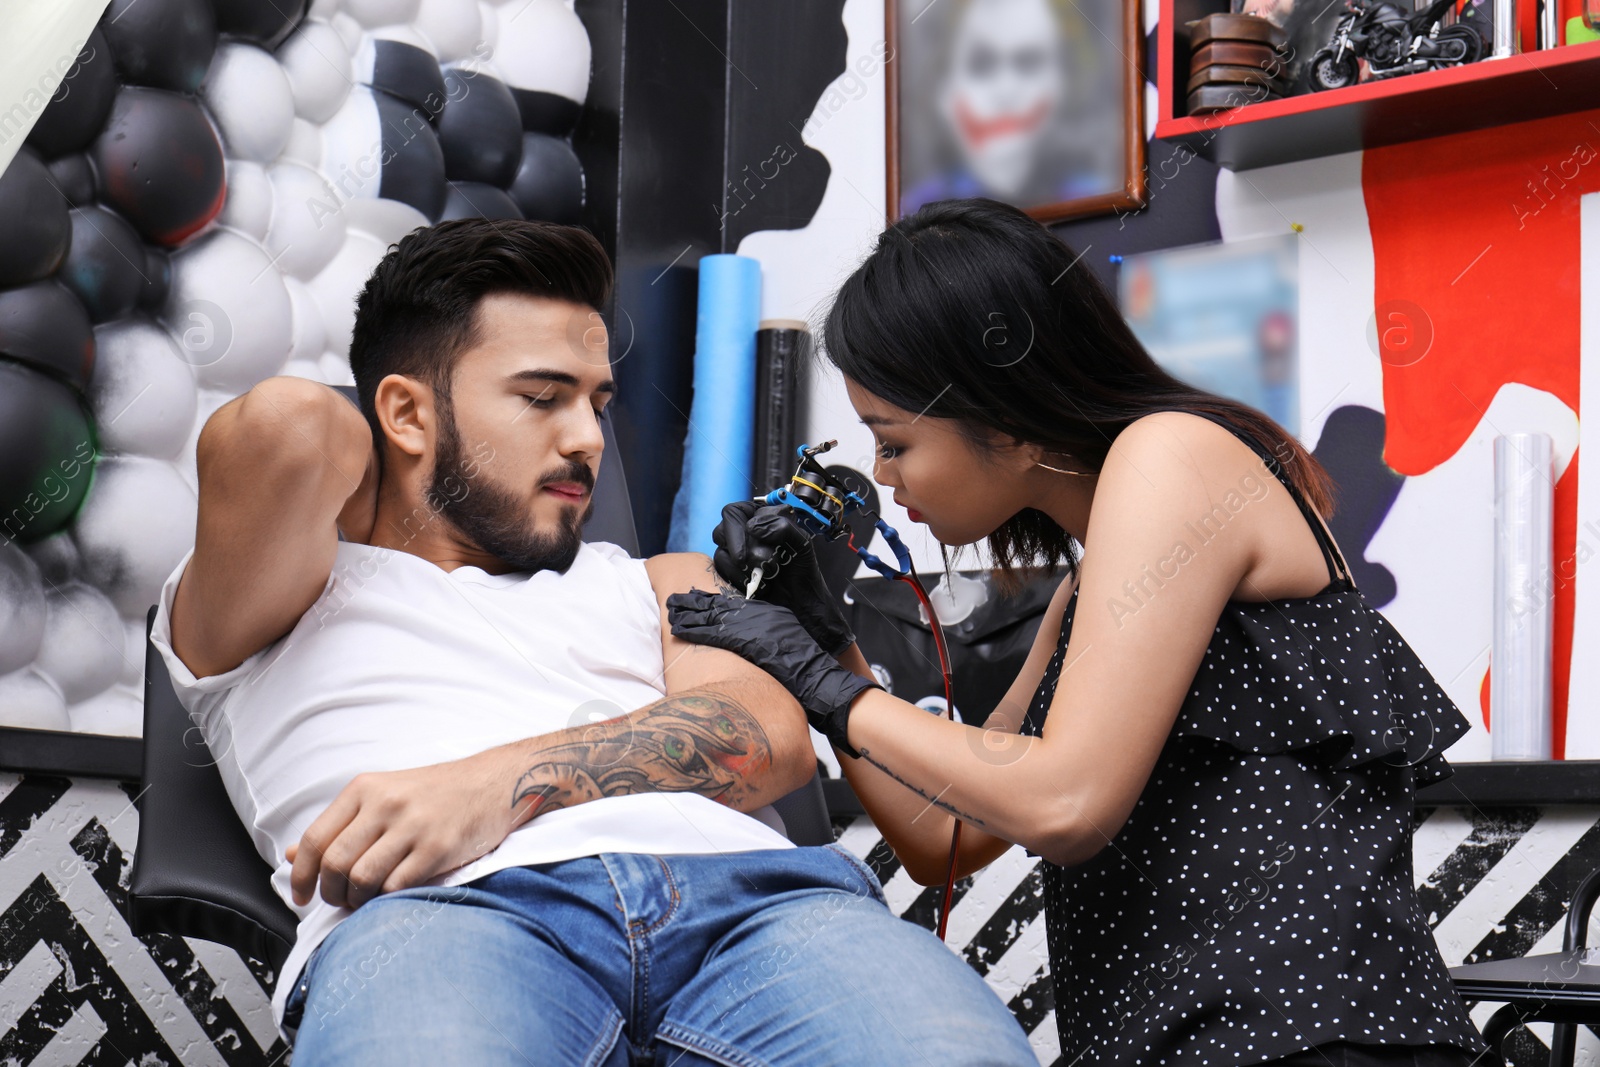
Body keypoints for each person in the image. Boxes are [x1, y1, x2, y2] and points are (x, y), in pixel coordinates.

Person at [151, 218, 1038, 1066]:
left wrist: (491, 787)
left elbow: (763, 737)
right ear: (406, 415)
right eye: (542, 397)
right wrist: (379, 468)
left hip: (757, 910)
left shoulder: (660, 577)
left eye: (597, 401)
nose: (588, 438)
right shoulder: (270, 597)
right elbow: (285, 429)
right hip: (444, 920)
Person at [667, 198, 1492, 1067]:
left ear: (1009, 415)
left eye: (894, 441)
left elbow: (1066, 804)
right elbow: (947, 837)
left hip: (1306, 1043)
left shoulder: (1175, 453)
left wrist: (830, 691)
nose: (882, 474)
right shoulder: (1092, 581)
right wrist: (828, 637)